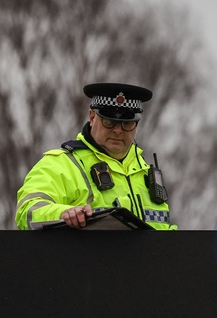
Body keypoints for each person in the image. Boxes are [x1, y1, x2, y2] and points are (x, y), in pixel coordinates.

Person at [16, 82, 177, 230]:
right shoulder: (61, 164)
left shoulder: (145, 173)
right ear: (92, 117)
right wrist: (62, 214)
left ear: (136, 124)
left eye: (127, 123)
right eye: (109, 121)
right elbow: (27, 211)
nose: (117, 130)